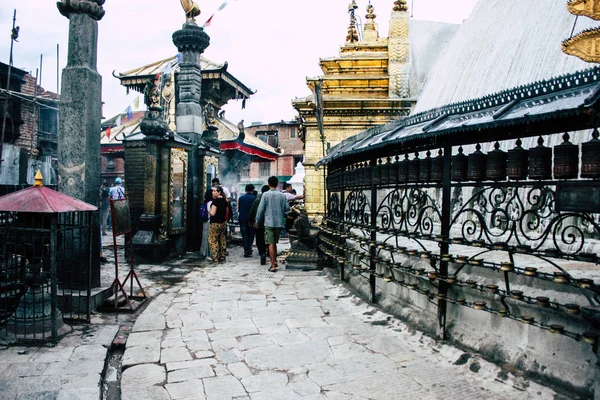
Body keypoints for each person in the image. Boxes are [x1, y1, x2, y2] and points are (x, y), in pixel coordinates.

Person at [256, 176, 290, 272]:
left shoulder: (265, 195)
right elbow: (287, 209)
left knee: (270, 243)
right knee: (274, 243)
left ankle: (273, 266)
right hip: (279, 223)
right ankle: (274, 261)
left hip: (269, 222)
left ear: (269, 184)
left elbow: (260, 210)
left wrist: (257, 221)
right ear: (277, 184)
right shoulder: (282, 195)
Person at [249, 185, 269, 265]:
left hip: (260, 224)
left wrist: (251, 220)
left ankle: (262, 253)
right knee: (269, 239)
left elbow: (253, 211)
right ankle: (268, 252)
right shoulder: (270, 201)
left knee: (260, 240)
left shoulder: (257, 200)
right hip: (269, 223)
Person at [208, 185, 228, 263]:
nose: (213, 192)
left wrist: (208, 211)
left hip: (215, 223)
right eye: (212, 191)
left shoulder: (215, 202)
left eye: (215, 191)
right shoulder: (224, 201)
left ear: (219, 192)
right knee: (222, 239)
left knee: (213, 240)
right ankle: (222, 256)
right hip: (223, 222)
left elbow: (212, 213)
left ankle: (215, 257)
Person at [238, 184, 256, 257]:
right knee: (251, 234)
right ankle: (249, 247)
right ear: (252, 190)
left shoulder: (241, 198)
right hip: (251, 219)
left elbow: (239, 208)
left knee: (244, 235)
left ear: (245, 190)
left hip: (242, 218)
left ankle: (246, 250)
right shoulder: (254, 198)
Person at [199, 189, 212, 259]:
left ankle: (204, 252)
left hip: (206, 222)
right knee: (209, 238)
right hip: (210, 222)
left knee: (205, 237)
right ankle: (209, 253)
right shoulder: (211, 203)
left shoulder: (206, 202)